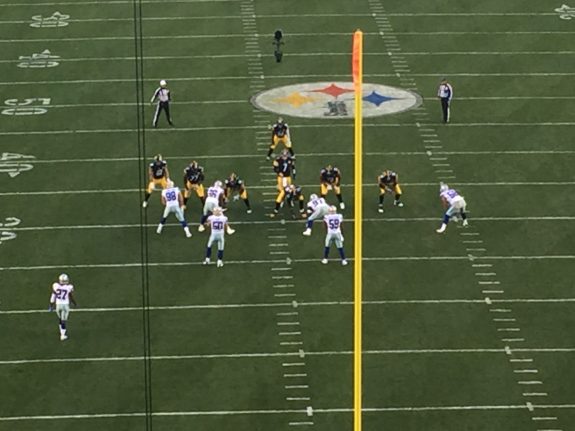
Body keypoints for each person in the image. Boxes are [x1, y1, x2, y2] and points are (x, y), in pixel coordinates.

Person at [49, 273, 77, 341]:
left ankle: (61, 331)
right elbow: (70, 296)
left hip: (58, 305)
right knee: (63, 320)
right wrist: (74, 303)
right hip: (65, 305)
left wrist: (51, 306)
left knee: (60, 319)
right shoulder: (69, 287)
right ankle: (62, 335)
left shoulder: (55, 286)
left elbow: (53, 296)